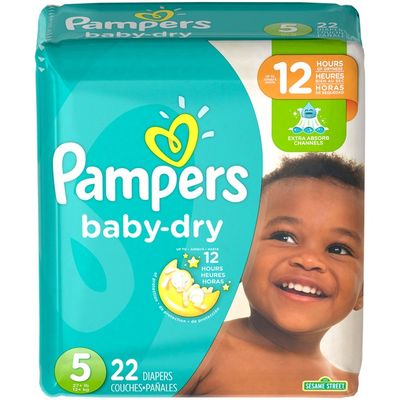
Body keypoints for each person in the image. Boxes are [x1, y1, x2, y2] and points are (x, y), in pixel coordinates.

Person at [180, 153, 364, 396]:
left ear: (363, 290)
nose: (309, 260)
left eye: (338, 249)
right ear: (239, 257)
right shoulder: (201, 350)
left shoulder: (347, 385)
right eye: (284, 237)